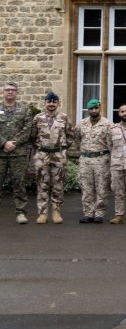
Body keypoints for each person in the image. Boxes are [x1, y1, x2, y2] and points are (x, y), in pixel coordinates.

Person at [31, 91, 74, 224]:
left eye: (54, 102)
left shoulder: (64, 118)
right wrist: (40, 148)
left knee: (58, 185)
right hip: (42, 155)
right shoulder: (38, 118)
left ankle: (56, 211)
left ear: (58, 103)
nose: (51, 104)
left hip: (58, 155)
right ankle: (42, 213)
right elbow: (32, 136)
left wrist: (62, 148)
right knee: (42, 184)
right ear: (45, 103)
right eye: (49, 101)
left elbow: (70, 135)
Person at [0, 82, 34, 224]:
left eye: (13, 90)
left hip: (18, 153)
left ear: (17, 92)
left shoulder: (24, 110)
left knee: (18, 183)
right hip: (0, 152)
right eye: (7, 89)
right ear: (3, 92)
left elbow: (27, 129)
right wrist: (3, 143)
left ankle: (20, 212)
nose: (10, 92)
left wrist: (13, 143)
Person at [74, 98, 112, 223]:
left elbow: (111, 143)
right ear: (88, 109)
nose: (94, 110)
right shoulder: (81, 124)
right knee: (86, 188)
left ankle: (99, 213)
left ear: (100, 108)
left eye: (96, 108)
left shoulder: (107, 124)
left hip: (102, 159)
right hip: (86, 159)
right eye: (91, 108)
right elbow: (77, 140)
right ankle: (88, 213)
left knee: (102, 188)